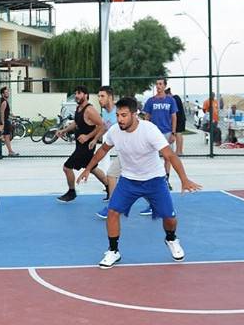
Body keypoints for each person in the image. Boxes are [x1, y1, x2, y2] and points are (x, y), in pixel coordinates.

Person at [77, 97, 201, 268]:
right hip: (129, 180)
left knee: (170, 217)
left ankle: (171, 239)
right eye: (118, 115)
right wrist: (88, 169)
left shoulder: (149, 130)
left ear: (134, 115)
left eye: (124, 115)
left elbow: (170, 155)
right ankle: (113, 251)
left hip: (155, 180)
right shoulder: (114, 131)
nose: (120, 119)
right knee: (112, 212)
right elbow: (103, 150)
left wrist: (184, 179)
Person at [56, 85, 108, 203]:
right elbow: (76, 123)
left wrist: (88, 137)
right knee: (93, 168)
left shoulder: (90, 109)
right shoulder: (79, 108)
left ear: (85, 95)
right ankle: (109, 187)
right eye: (75, 93)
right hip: (80, 145)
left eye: (79, 93)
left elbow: (101, 125)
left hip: (86, 146)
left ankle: (71, 192)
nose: (76, 95)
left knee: (67, 167)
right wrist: (64, 131)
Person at [142, 78, 178, 197]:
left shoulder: (170, 100)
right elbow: (147, 117)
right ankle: (152, 182)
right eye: (157, 84)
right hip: (153, 133)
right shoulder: (150, 101)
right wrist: (145, 132)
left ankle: (166, 180)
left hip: (167, 132)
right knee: (151, 158)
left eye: (160, 84)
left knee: (168, 158)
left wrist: (173, 133)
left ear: (165, 86)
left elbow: (174, 117)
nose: (158, 86)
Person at [96, 85, 122, 219]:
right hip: (124, 151)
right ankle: (112, 207)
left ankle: (112, 208)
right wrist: (95, 139)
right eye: (98, 96)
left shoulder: (119, 111)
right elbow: (106, 127)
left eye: (102, 96)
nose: (99, 99)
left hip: (133, 151)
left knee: (140, 181)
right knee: (112, 175)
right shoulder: (106, 112)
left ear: (110, 97)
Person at [0, 87, 18, 156]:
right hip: (4, 121)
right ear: (2, 94)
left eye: (8, 92)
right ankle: (10, 151)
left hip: (5, 121)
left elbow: (6, 112)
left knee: (5, 136)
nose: (7, 93)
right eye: (6, 93)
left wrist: (12, 116)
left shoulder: (4, 101)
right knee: (6, 136)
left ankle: (10, 151)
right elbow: (2, 112)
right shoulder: (4, 102)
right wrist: (3, 123)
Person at [167, 87, 186, 155]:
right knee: (179, 134)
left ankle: (179, 151)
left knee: (178, 134)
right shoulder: (176, 98)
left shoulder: (174, 98)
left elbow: (174, 111)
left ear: (169, 94)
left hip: (179, 119)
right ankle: (179, 150)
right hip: (180, 118)